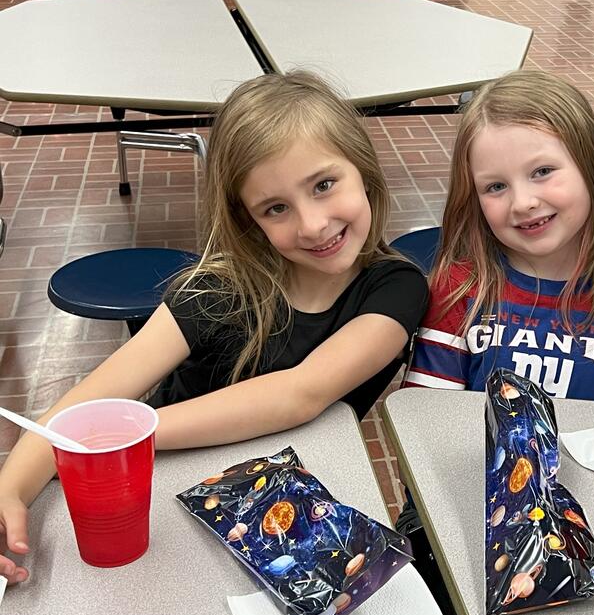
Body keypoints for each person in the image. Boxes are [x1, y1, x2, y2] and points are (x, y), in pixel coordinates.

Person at [0, 71, 428, 584]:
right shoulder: (217, 288)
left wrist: (124, 436)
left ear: (364, 170)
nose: (313, 224)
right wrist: (10, 489)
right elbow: (89, 401)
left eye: (323, 185)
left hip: (280, 508)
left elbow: (300, 394)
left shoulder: (397, 289)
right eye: (276, 208)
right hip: (166, 495)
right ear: (249, 220)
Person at [405, 70, 594, 407]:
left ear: (591, 164)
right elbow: (427, 419)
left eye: (542, 172)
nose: (523, 203)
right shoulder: (459, 290)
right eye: (496, 186)